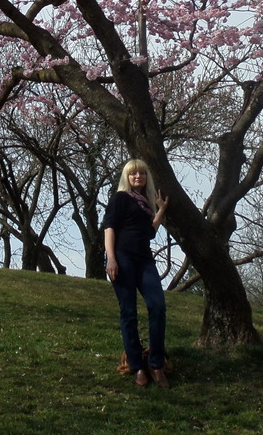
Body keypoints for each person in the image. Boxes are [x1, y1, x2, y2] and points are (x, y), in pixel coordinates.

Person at [102, 158, 170, 388]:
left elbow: (150, 233)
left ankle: (156, 363)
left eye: (142, 173)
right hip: (122, 257)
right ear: (127, 177)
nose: (138, 177)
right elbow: (109, 226)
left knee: (157, 306)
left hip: (144, 260)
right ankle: (136, 365)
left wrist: (160, 210)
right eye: (133, 174)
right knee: (128, 311)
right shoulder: (121, 198)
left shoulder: (145, 204)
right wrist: (111, 257)